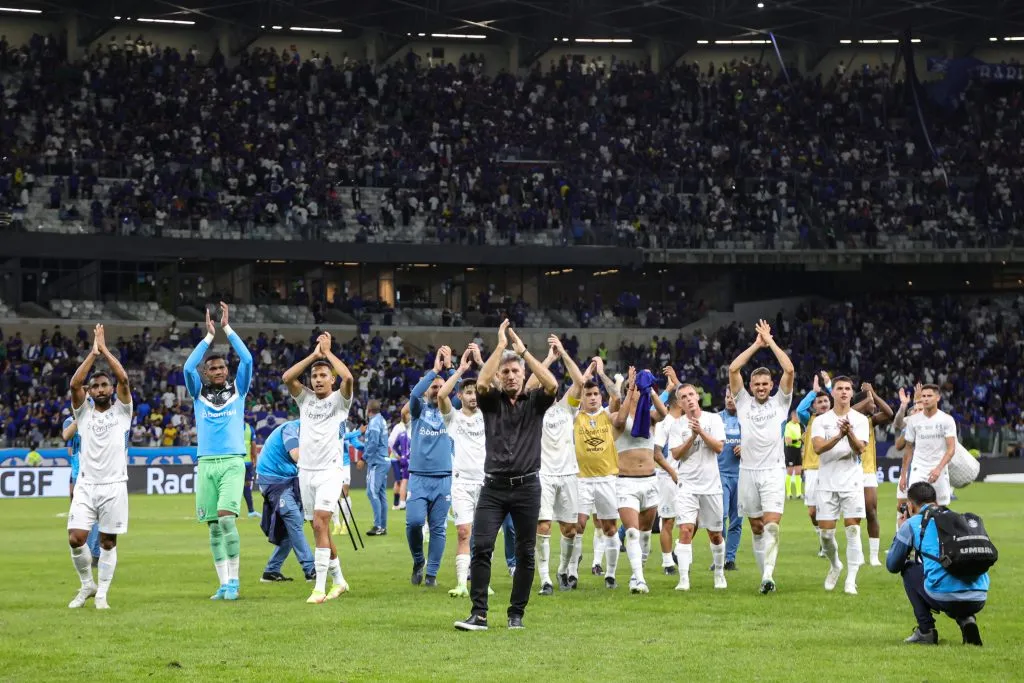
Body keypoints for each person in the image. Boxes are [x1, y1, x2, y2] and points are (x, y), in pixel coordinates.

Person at [455, 320, 557, 632]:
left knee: (526, 553)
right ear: (500, 376)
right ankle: (480, 615)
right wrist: (500, 347)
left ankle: (516, 614)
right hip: (494, 488)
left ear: (524, 375)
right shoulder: (490, 400)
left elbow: (551, 384)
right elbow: (482, 383)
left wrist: (523, 352)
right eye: (506, 373)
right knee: (481, 546)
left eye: (515, 372)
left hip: (527, 486)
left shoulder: (536, 402)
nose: (511, 376)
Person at [184, 303, 253, 601]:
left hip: (232, 463)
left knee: (227, 519)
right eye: (212, 368)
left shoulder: (239, 390)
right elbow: (188, 367)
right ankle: (223, 583)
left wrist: (227, 329)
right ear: (206, 372)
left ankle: (235, 582)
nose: (218, 371)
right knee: (213, 528)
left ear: (227, 370)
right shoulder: (197, 392)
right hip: (206, 464)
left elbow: (247, 359)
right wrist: (207, 337)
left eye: (222, 367)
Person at [283, 332, 354, 604]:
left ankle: (319, 588)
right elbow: (287, 378)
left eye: (324, 375)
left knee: (322, 522)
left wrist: (329, 354)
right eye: (315, 376)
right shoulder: (305, 399)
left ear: (331, 379)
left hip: (329, 472)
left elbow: (348, 378)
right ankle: (340, 580)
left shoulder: (340, 401)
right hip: (306, 473)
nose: (319, 379)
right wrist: (314, 356)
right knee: (318, 528)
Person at [66, 324, 132, 610]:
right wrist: (93, 355)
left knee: (107, 543)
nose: (101, 388)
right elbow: (73, 385)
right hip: (86, 484)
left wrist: (105, 350)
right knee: (75, 538)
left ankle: (102, 593)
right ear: (90, 391)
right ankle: (86, 585)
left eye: (105, 384)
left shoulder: (122, 411)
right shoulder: (82, 413)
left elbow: (125, 378)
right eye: (96, 385)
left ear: (112, 390)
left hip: (115, 486)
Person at [728, 319, 794, 594]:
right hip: (748, 471)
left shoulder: (781, 402)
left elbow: (789, 369)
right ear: (751, 386)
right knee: (756, 526)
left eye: (766, 383)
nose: (761, 387)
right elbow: (733, 368)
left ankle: (768, 576)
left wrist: (772, 342)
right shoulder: (742, 402)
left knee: (771, 525)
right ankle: (763, 575)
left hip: (773, 471)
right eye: (757, 383)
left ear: (771, 385)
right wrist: (756, 345)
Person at [886, 482, 987, 646]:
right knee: (951, 570)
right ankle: (967, 620)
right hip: (979, 595)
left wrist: (901, 530)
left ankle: (926, 632)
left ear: (910, 506)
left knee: (908, 569)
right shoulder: (958, 518)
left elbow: (892, 565)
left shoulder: (913, 524)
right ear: (935, 501)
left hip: (945, 596)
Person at [531, 337, 586, 595]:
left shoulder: (566, 408)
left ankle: (563, 569)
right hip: (542, 473)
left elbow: (580, 382)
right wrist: (549, 360)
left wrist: (562, 353)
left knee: (570, 529)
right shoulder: (532, 409)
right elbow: (528, 385)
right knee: (542, 526)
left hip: (568, 474)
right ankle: (545, 579)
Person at [611, 366, 669, 593]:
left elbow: (663, 413)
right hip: (626, 481)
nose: (635, 393)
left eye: (636, 389)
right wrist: (630, 388)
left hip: (650, 480)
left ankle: (639, 574)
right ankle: (638, 578)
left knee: (645, 535)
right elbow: (622, 419)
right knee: (633, 532)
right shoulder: (617, 415)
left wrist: (651, 390)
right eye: (630, 390)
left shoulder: (650, 417)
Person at [810, 376, 870, 595]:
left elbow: (860, 449)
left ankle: (851, 580)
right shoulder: (821, 420)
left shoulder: (860, 420)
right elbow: (818, 448)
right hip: (826, 481)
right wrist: (838, 435)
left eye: (847, 389)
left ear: (852, 393)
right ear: (832, 392)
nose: (844, 392)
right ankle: (835, 564)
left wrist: (850, 432)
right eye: (839, 389)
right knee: (826, 535)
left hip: (852, 481)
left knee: (853, 529)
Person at [668, 384, 727, 591]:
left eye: (691, 394)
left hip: (711, 486)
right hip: (687, 485)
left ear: (697, 396)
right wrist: (692, 437)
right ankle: (684, 579)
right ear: (680, 403)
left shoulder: (714, 419)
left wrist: (700, 432)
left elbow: (719, 447)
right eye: (683, 397)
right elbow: (676, 454)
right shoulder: (677, 426)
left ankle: (719, 573)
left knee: (716, 534)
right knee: (685, 530)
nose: (689, 399)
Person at [406, 347, 456, 587]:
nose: (438, 391)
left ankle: (432, 576)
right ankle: (418, 560)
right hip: (418, 477)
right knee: (414, 522)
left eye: (441, 387)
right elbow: (413, 396)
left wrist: (452, 367)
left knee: (439, 529)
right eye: (434, 387)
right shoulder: (418, 411)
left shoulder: (451, 412)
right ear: (427, 388)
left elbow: (463, 390)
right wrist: (435, 371)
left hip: (444, 478)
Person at [440, 346, 486, 598]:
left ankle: (482, 581)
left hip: (486, 483)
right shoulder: (454, 418)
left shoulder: (488, 415)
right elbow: (442, 395)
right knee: (463, 532)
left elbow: (499, 387)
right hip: (461, 483)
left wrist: (480, 363)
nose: (473, 396)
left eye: (475, 392)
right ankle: (461, 583)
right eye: (468, 392)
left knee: (483, 536)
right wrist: (460, 370)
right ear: (461, 395)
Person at [573, 356, 622, 580]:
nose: (592, 398)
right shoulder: (575, 417)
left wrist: (601, 373)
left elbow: (617, 395)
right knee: (578, 525)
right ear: (582, 398)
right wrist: (585, 376)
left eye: (595, 394)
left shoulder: (606, 415)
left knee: (609, 527)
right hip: (581, 479)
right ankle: (572, 573)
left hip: (607, 478)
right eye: (588, 394)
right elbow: (576, 389)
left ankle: (610, 574)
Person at [256, 420, 315, 583]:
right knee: (294, 520)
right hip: (273, 481)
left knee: (292, 527)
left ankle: (271, 570)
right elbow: (296, 455)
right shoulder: (291, 428)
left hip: (288, 480)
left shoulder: (308, 431)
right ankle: (311, 569)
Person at [853, 383, 893, 566]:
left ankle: (874, 556)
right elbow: (851, 410)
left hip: (868, 472)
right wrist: (866, 396)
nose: (874, 406)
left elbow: (889, 413)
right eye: (870, 403)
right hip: (850, 471)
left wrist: (873, 394)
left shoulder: (871, 421)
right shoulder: (849, 418)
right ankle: (858, 553)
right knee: (853, 515)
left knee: (871, 512)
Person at [900, 385, 957, 507]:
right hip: (918, 469)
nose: (925, 399)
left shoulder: (947, 420)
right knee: (915, 506)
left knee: (940, 507)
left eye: (929, 396)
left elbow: (951, 449)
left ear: (938, 398)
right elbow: (908, 449)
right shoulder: (913, 420)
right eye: (923, 396)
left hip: (939, 469)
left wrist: (939, 468)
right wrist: (903, 475)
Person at [796, 375, 833, 557]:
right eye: (820, 401)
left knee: (827, 508)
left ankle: (827, 544)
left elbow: (843, 402)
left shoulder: (836, 419)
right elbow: (799, 408)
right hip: (811, 469)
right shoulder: (808, 419)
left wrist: (829, 386)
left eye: (826, 400)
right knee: (812, 511)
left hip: (830, 468)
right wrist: (814, 391)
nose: (823, 404)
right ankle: (822, 539)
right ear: (815, 406)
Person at [653, 369, 681, 575]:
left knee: (694, 520)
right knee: (668, 520)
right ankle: (667, 562)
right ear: (674, 402)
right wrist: (671, 472)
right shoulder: (664, 423)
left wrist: (676, 380)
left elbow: (685, 392)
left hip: (686, 477)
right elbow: (657, 453)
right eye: (683, 398)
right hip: (667, 478)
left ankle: (678, 550)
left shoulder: (684, 422)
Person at [63, 417, 100, 562]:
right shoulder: (71, 421)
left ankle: (92, 552)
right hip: (83, 474)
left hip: (87, 473)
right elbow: (68, 441)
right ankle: (93, 552)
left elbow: (70, 450)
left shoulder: (96, 417)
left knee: (92, 515)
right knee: (92, 516)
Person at [716, 389, 743, 570]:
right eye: (727, 396)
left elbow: (760, 442)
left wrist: (745, 447)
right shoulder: (716, 418)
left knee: (737, 519)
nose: (729, 400)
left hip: (742, 475)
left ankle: (730, 559)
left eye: (733, 397)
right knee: (721, 515)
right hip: (720, 474)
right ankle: (718, 556)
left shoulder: (748, 421)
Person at [362, 400, 390, 536]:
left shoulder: (373, 423)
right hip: (384, 459)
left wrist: (364, 458)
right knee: (381, 494)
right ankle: (382, 526)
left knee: (371, 492)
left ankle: (378, 525)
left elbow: (373, 443)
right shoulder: (381, 420)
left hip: (377, 462)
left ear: (368, 409)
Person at [389, 415, 411, 510]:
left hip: (402, 458)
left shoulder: (407, 429)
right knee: (401, 481)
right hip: (397, 459)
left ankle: (399, 503)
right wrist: (397, 454)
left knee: (401, 481)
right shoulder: (399, 428)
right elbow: (391, 442)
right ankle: (399, 503)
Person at [783, 411, 803, 500]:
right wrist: (798, 440)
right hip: (790, 450)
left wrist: (799, 441)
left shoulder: (798, 425)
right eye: (798, 417)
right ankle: (789, 493)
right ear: (793, 416)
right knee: (790, 472)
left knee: (798, 471)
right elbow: (788, 441)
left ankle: (799, 493)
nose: (799, 419)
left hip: (798, 450)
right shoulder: (788, 425)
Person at [242, 422, 260, 518]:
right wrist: (255, 459)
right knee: (247, 485)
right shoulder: (249, 428)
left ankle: (250, 511)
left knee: (233, 486)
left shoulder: (231, 425)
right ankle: (251, 511)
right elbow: (253, 446)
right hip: (247, 462)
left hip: (235, 461)